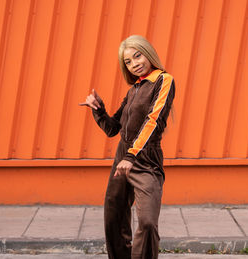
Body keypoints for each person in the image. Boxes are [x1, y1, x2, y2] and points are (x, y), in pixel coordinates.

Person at [79, 35, 175, 259]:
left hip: (145, 161)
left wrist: (132, 156)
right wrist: (98, 109)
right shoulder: (134, 90)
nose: (135, 64)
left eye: (137, 56)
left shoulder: (163, 80)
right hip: (123, 156)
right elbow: (114, 128)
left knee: (148, 222)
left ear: (147, 52)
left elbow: (155, 121)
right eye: (128, 62)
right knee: (114, 216)